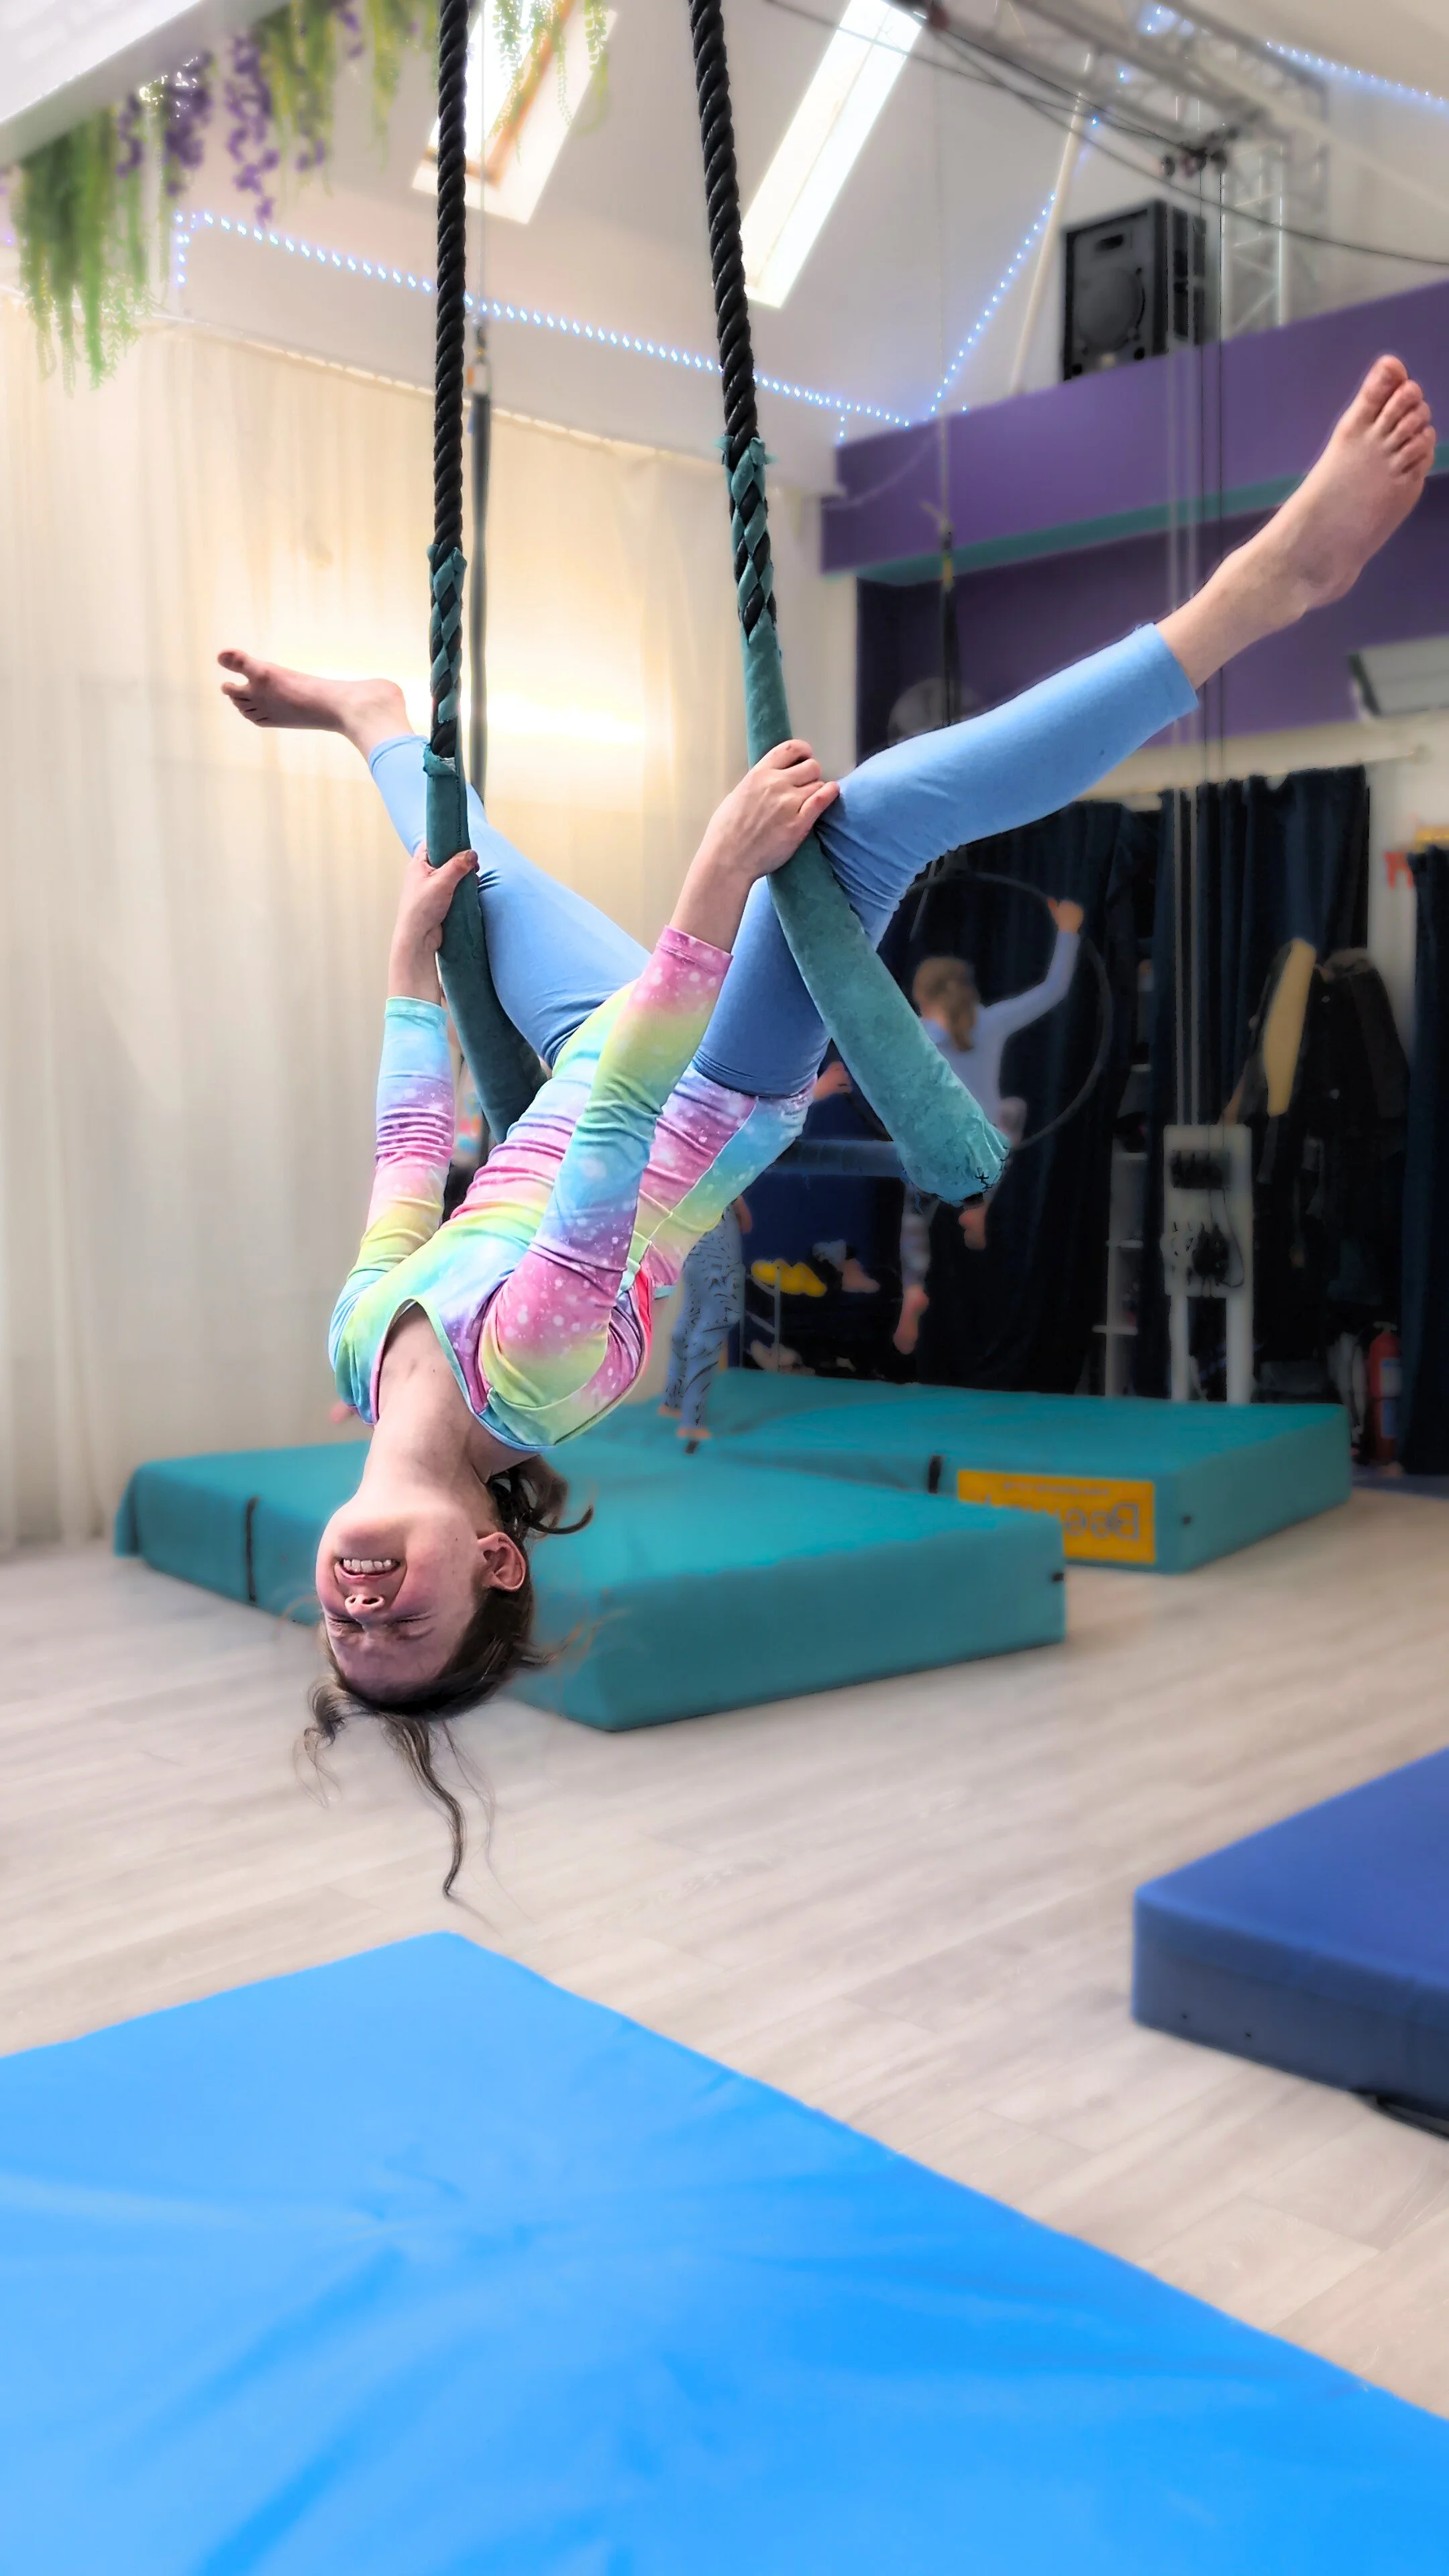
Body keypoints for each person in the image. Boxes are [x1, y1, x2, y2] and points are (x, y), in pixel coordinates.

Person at [218, 354, 1434, 1874]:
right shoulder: (525, 1379)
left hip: (602, 1036)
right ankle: (1265, 590)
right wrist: (716, 886)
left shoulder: (355, 1351)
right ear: (492, 1557)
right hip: (702, 1084)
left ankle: (372, 713)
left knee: (462, 865)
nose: (363, 1612)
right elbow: (616, 1142)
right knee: (865, 823)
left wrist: (412, 984)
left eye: (347, 1635)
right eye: (410, 1629)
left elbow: (412, 1168)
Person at [895, 900, 1083, 1354]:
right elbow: (1054, 989)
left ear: (924, 995)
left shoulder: (915, 1031)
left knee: (914, 1215)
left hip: (932, 1147)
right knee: (1012, 1110)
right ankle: (980, 1202)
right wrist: (1068, 932)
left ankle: (912, 1286)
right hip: (981, 1146)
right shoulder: (992, 1022)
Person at [659, 1200, 750, 1446]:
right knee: (716, 1318)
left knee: (692, 1315)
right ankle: (692, 1422)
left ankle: (673, 1402)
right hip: (715, 1225)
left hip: (696, 1229)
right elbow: (745, 1218)